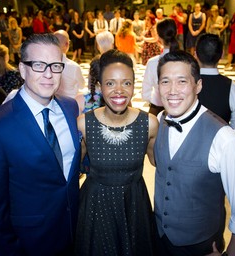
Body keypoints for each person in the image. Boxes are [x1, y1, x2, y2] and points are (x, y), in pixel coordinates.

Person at [0, 33, 81, 255]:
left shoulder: (70, 108)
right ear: (22, 69)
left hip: (75, 230)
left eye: (55, 66)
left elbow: (68, 168)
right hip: (31, 242)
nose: (49, 74)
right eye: (39, 65)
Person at [154, 50, 235, 255]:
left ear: (198, 86)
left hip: (200, 246)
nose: (172, 90)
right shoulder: (160, 120)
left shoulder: (226, 140)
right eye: (165, 81)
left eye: (182, 81)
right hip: (159, 238)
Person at [75, 49, 159, 255]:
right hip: (95, 205)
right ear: (99, 86)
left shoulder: (149, 123)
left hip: (134, 203)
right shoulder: (84, 123)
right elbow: (74, 167)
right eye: (110, 83)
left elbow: (159, 162)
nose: (119, 90)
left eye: (127, 83)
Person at [196, 33, 235, 136]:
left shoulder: (183, 85)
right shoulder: (234, 89)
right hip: (221, 148)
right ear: (222, 54)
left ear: (195, 54)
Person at [142, 18, 179, 116]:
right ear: (176, 33)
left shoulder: (153, 62)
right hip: (182, 110)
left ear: (158, 37)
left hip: (158, 110)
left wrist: (156, 100)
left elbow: (145, 93)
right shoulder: (187, 61)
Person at [54, 29, 85, 98]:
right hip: (70, 103)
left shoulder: (44, 64)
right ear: (67, 44)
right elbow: (82, 86)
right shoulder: (74, 67)